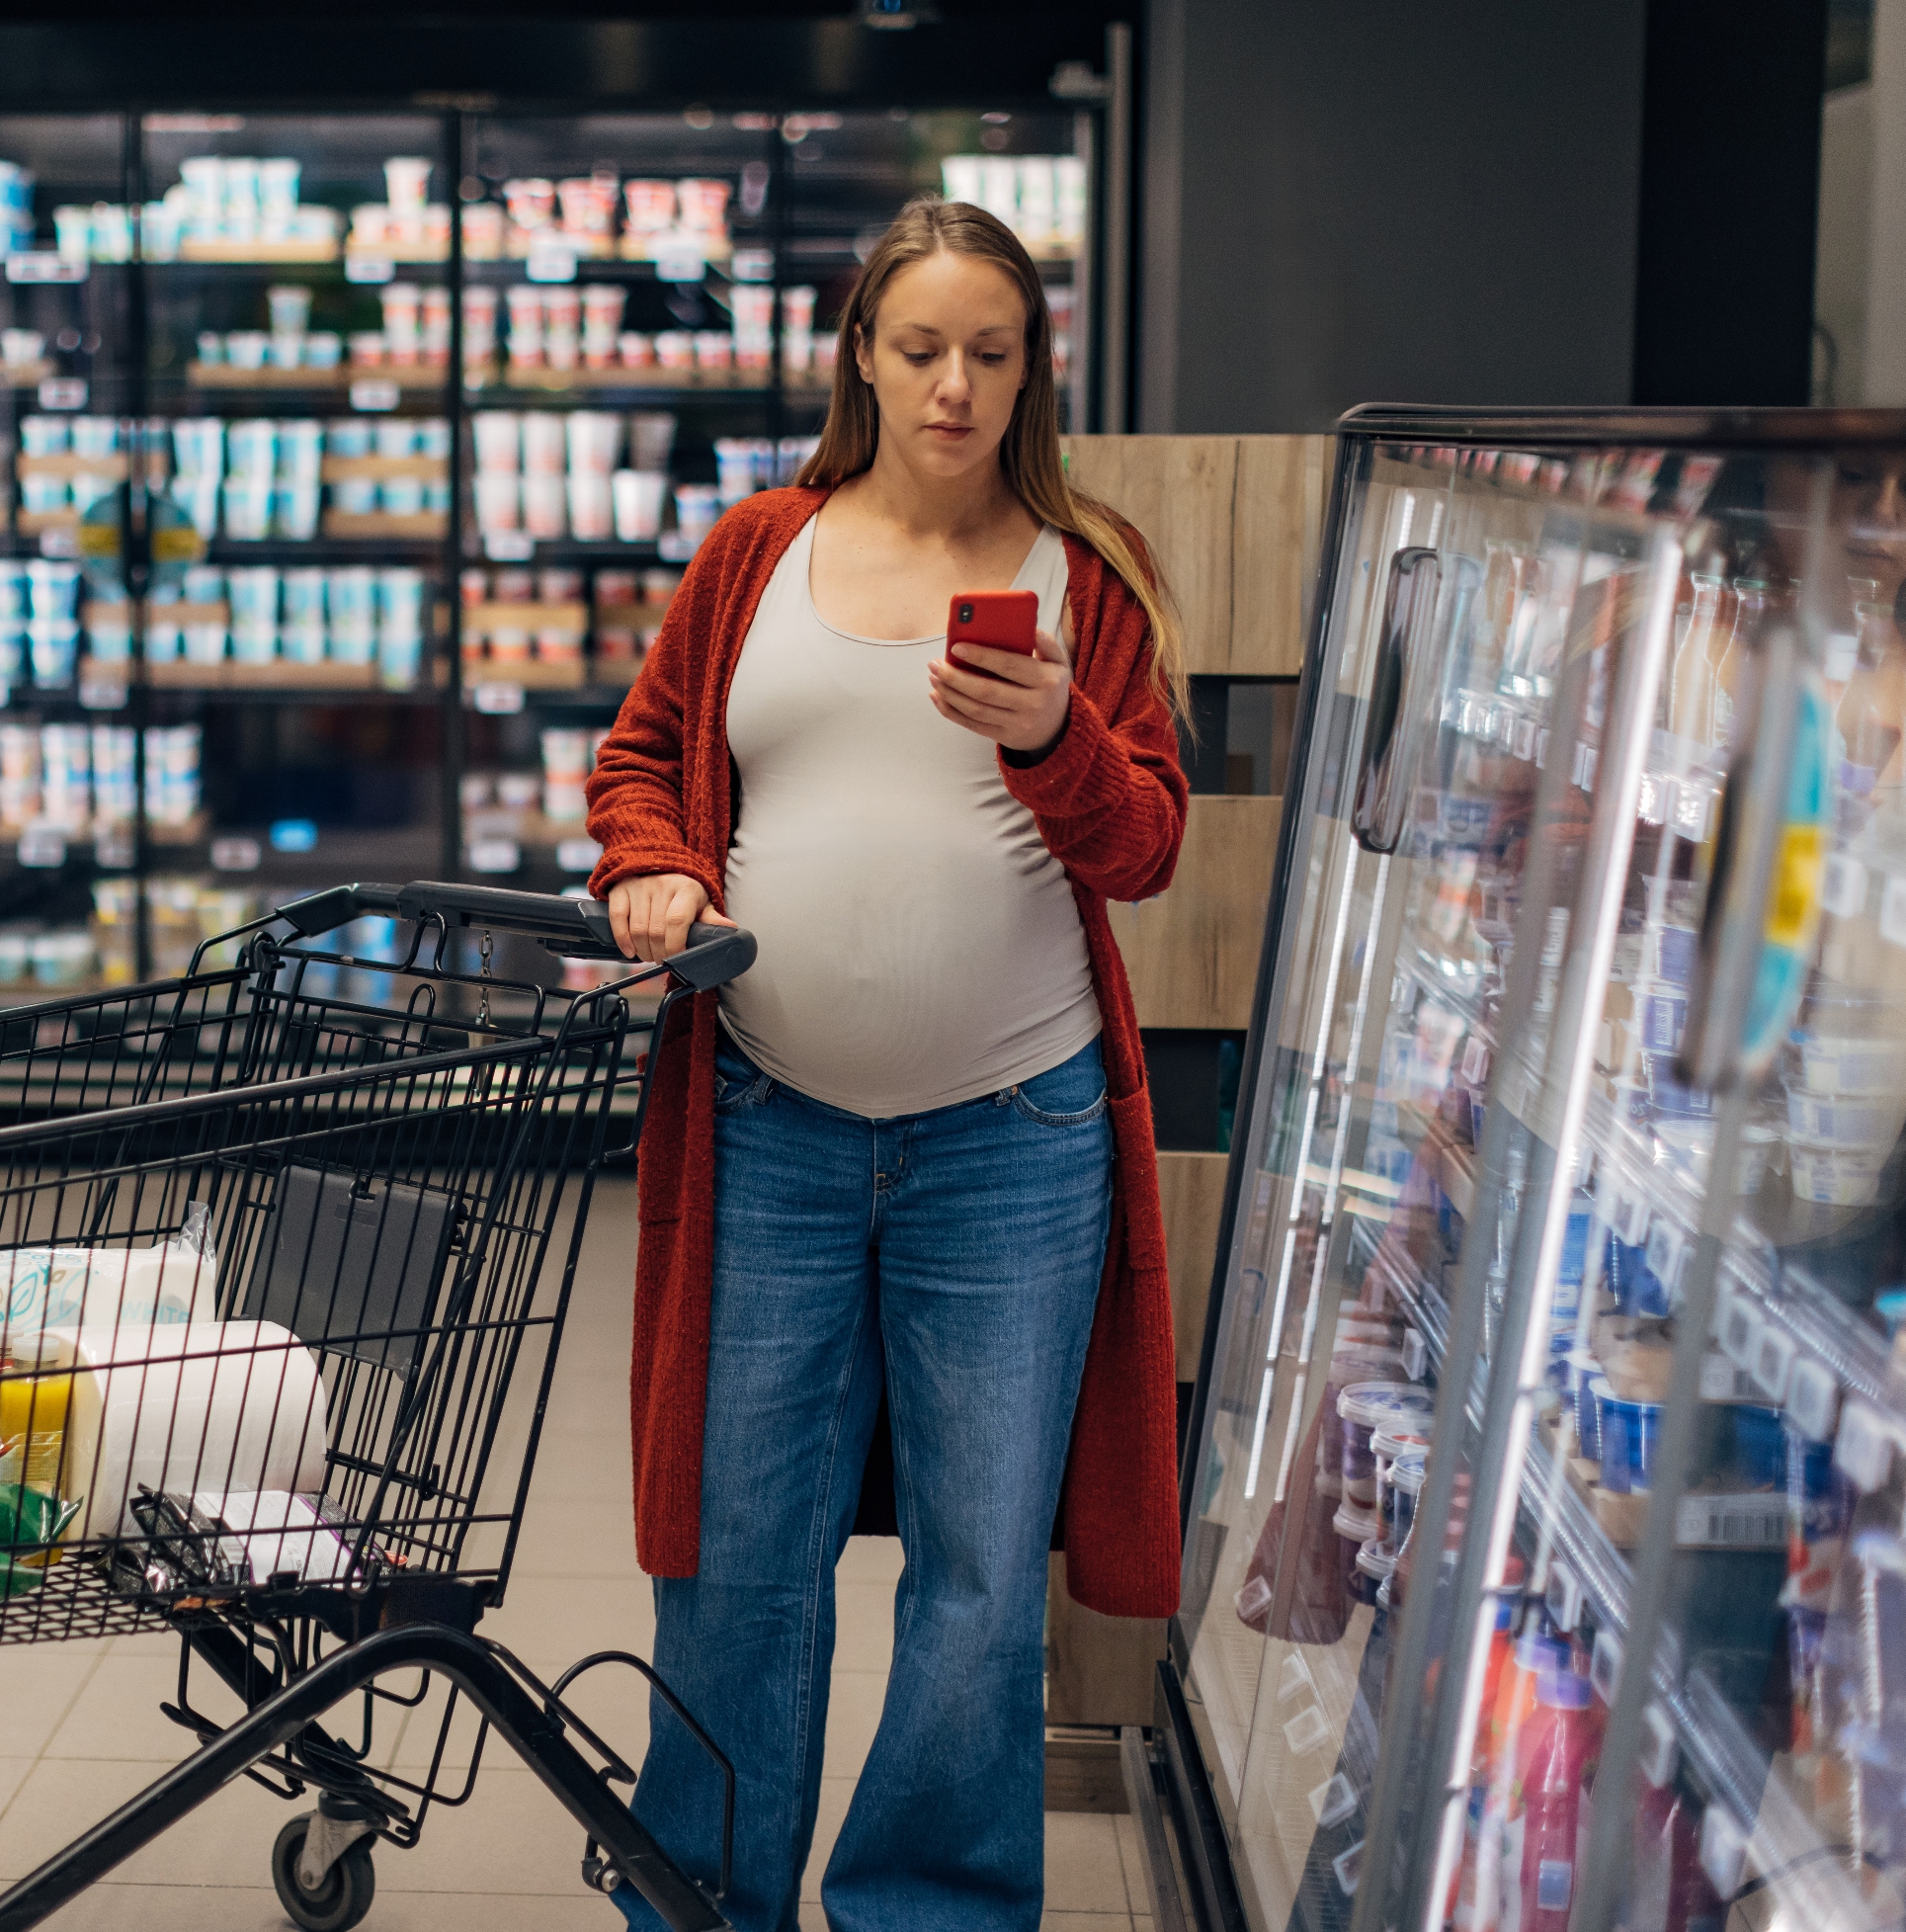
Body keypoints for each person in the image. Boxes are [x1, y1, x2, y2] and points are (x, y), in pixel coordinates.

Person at [585, 194, 1188, 1932]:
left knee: (985, 1577)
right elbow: (639, 764)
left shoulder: (1090, 578)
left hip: (1017, 1141)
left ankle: (931, 1906)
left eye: (989, 355)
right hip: (766, 1122)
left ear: (1030, 373)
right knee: (734, 1559)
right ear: (861, 351)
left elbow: (1144, 844)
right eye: (919, 348)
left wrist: (1059, 738)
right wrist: (650, 867)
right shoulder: (755, 552)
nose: (952, 387)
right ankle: (702, 1900)